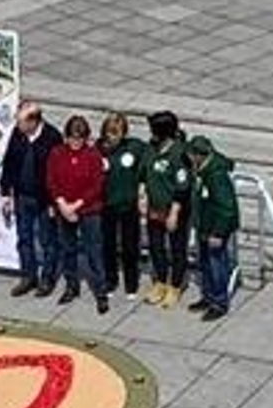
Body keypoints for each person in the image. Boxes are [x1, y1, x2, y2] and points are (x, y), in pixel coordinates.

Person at [45, 114, 108, 312]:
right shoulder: (57, 153)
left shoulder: (93, 155)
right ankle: (72, 286)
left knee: (93, 251)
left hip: (89, 210)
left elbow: (97, 185)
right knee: (68, 249)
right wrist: (62, 204)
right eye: (72, 138)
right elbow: (51, 180)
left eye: (79, 138)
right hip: (64, 208)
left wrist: (76, 206)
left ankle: (101, 292)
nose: (75, 142)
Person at [0, 100, 63, 298]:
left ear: (33, 121)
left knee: (47, 241)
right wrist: (5, 192)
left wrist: (54, 202)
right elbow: (9, 162)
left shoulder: (52, 137)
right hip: (22, 196)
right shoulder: (18, 134)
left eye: (21, 122)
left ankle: (47, 278)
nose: (17, 125)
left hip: (44, 199)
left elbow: (57, 173)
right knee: (24, 239)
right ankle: (28, 276)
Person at [142, 109, 191, 307]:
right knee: (156, 247)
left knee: (177, 249)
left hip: (174, 210)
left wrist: (174, 213)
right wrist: (142, 194)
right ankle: (160, 282)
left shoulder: (179, 154)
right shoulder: (151, 148)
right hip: (154, 207)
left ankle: (176, 286)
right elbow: (144, 173)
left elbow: (183, 186)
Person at [186, 134, 238, 320]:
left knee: (217, 265)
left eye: (191, 155)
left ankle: (219, 302)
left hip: (215, 228)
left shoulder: (216, 175)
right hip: (204, 225)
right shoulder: (202, 171)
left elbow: (227, 207)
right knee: (205, 264)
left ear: (198, 155)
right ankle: (208, 297)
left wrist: (218, 233)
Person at [98, 111, 145, 297]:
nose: (113, 137)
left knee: (130, 247)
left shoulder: (134, 147)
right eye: (109, 132)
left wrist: (142, 189)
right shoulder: (98, 149)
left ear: (124, 133)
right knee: (108, 246)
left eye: (116, 133)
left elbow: (147, 162)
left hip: (128, 205)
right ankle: (111, 281)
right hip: (106, 205)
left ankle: (131, 284)